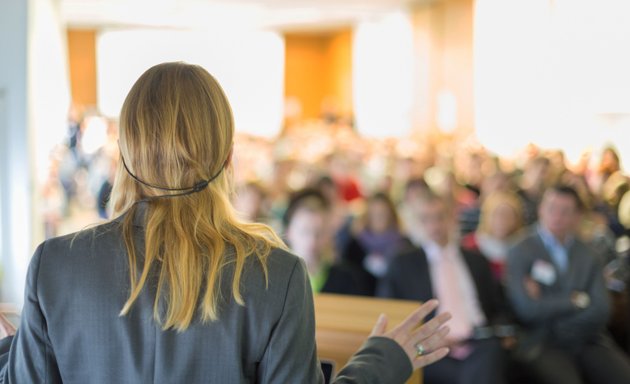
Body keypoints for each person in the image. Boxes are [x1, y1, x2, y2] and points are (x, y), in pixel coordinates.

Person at [0, 62, 451, 383]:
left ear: (124, 154)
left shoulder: (55, 266)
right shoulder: (276, 273)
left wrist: (19, 350)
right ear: (229, 158)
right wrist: (382, 362)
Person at [378, 191, 507, 384]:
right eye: (426, 219)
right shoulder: (402, 264)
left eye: (440, 217)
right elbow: (391, 314)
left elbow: (497, 307)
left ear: (452, 217)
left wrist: (501, 333)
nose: (434, 225)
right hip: (429, 348)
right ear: (417, 223)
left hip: (479, 342)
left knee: (490, 358)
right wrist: (426, 340)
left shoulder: (477, 261)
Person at [506, 185, 630, 384]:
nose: (557, 216)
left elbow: (601, 309)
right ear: (540, 209)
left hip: (588, 339)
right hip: (542, 342)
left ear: (577, 216)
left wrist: (552, 309)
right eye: (552, 208)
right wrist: (576, 301)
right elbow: (527, 309)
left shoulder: (588, 253)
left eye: (565, 211)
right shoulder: (520, 250)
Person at [283, 188, 375, 296]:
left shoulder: (348, 279)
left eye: (319, 232)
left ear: (329, 234)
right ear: (288, 232)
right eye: (304, 231)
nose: (312, 240)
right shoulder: (275, 278)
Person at [462, 191, 524, 283]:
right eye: (497, 215)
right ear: (487, 216)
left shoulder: (522, 246)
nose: (502, 221)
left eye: (508, 216)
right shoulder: (470, 245)